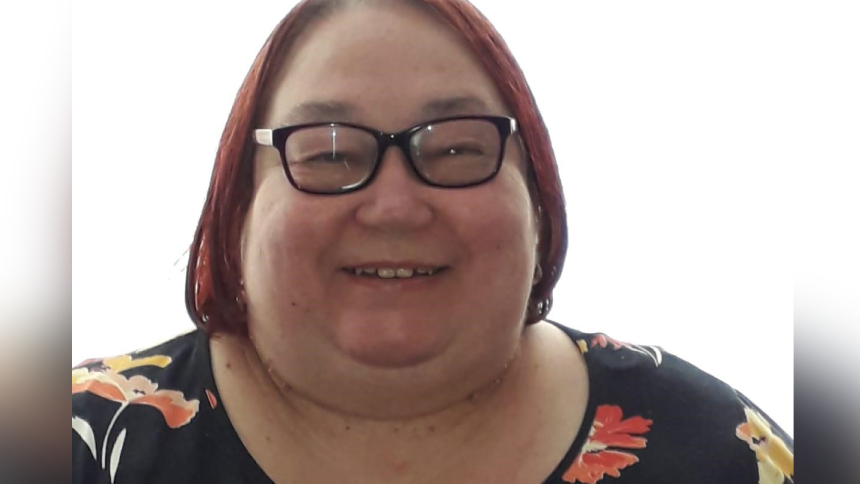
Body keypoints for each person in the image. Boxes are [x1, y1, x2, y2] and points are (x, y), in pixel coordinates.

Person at [72, 0, 794, 483]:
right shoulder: (71, 442)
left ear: (537, 198)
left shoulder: (718, 451)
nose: (394, 206)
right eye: (329, 153)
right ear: (237, 204)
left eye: (454, 150)